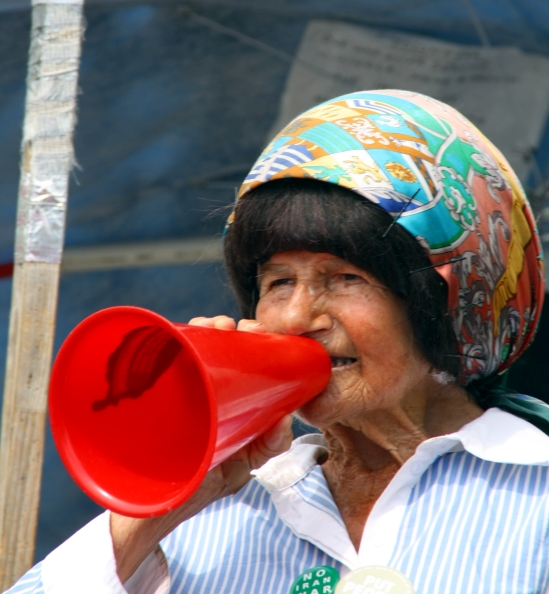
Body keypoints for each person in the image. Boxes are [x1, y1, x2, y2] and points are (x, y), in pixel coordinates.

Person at [9, 89, 549, 594]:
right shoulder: (207, 516)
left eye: (345, 278)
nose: (294, 317)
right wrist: (157, 509)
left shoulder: (535, 494)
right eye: (278, 282)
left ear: (447, 298)